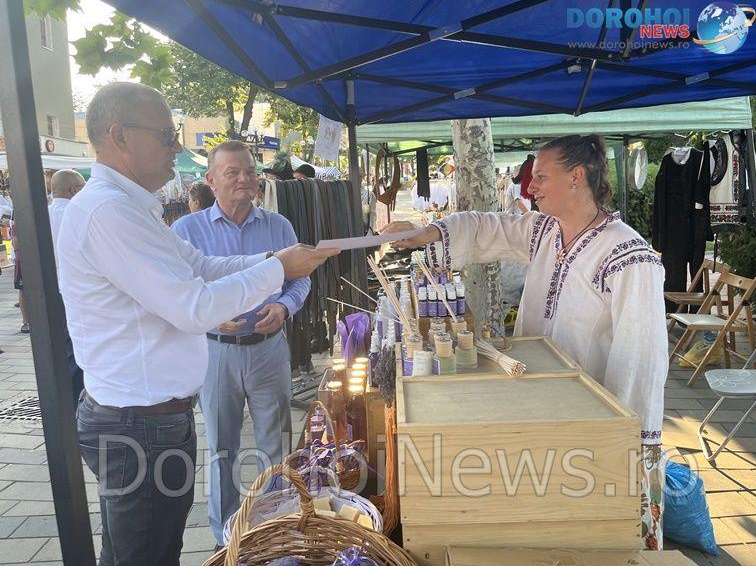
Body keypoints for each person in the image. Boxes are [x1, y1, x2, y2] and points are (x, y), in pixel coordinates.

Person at [57, 81, 338, 566]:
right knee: (143, 554)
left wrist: (273, 260)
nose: (176, 146)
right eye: (166, 135)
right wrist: (277, 267)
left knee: (148, 548)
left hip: (153, 418)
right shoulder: (108, 211)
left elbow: (202, 267)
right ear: (119, 136)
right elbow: (193, 305)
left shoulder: (132, 207)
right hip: (136, 422)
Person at [384, 134, 668, 550]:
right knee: (543, 522)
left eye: (541, 176)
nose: (530, 186)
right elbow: (486, 226)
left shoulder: (629, 256)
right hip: (538, 405)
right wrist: (426, 232)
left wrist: (623, 441)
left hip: (590, 423)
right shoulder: (546, 231)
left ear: (577, 176)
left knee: (588, 531)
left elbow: (640, 360)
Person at [172, 140, 310, 547]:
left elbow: (300, 280)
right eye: (232, 172)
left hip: (269, 348)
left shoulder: (279, 226)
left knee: (276, 443)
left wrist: (284, 307)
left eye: (250, 171)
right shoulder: (186, 231)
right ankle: (224, 535)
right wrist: (211, 315)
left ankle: (274, 527)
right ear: (211, 180)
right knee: (221, 447)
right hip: (215, 352)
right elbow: (178, 291)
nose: (244, 179)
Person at [48, 169, 86, 406]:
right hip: (72, 292)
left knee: (58, 348)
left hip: (47, 292)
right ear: (74, 190)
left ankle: (62, 400)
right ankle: (76, 400)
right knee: (76, 349)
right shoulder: (76, 214)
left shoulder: (41, 213)